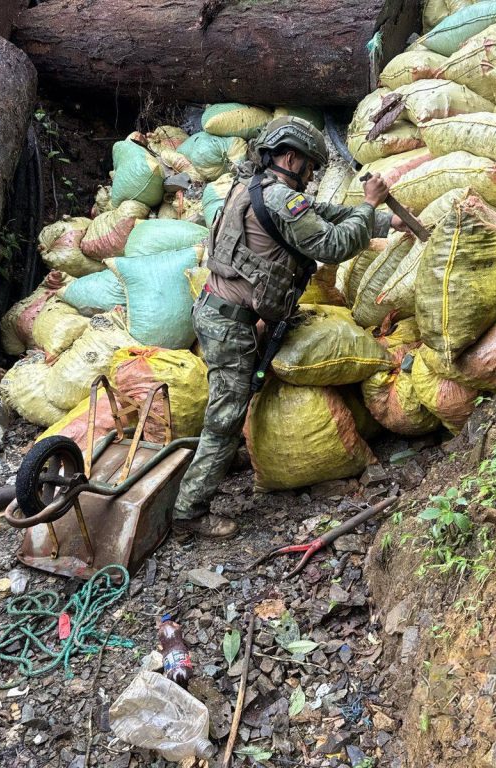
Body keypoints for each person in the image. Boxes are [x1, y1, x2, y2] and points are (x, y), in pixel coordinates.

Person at [172, 115, 406, 538]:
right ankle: (189, 512)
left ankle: (221, 458)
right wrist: (370, 204)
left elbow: (324, 212)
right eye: (310, 167)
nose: (312, 175)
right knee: (225, 416)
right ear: (292, 158)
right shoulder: (281, 199)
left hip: (221, 314)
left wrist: (386, 222)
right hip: (231, 323)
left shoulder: (254, 188)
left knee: (236, 396)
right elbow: (333, 244)